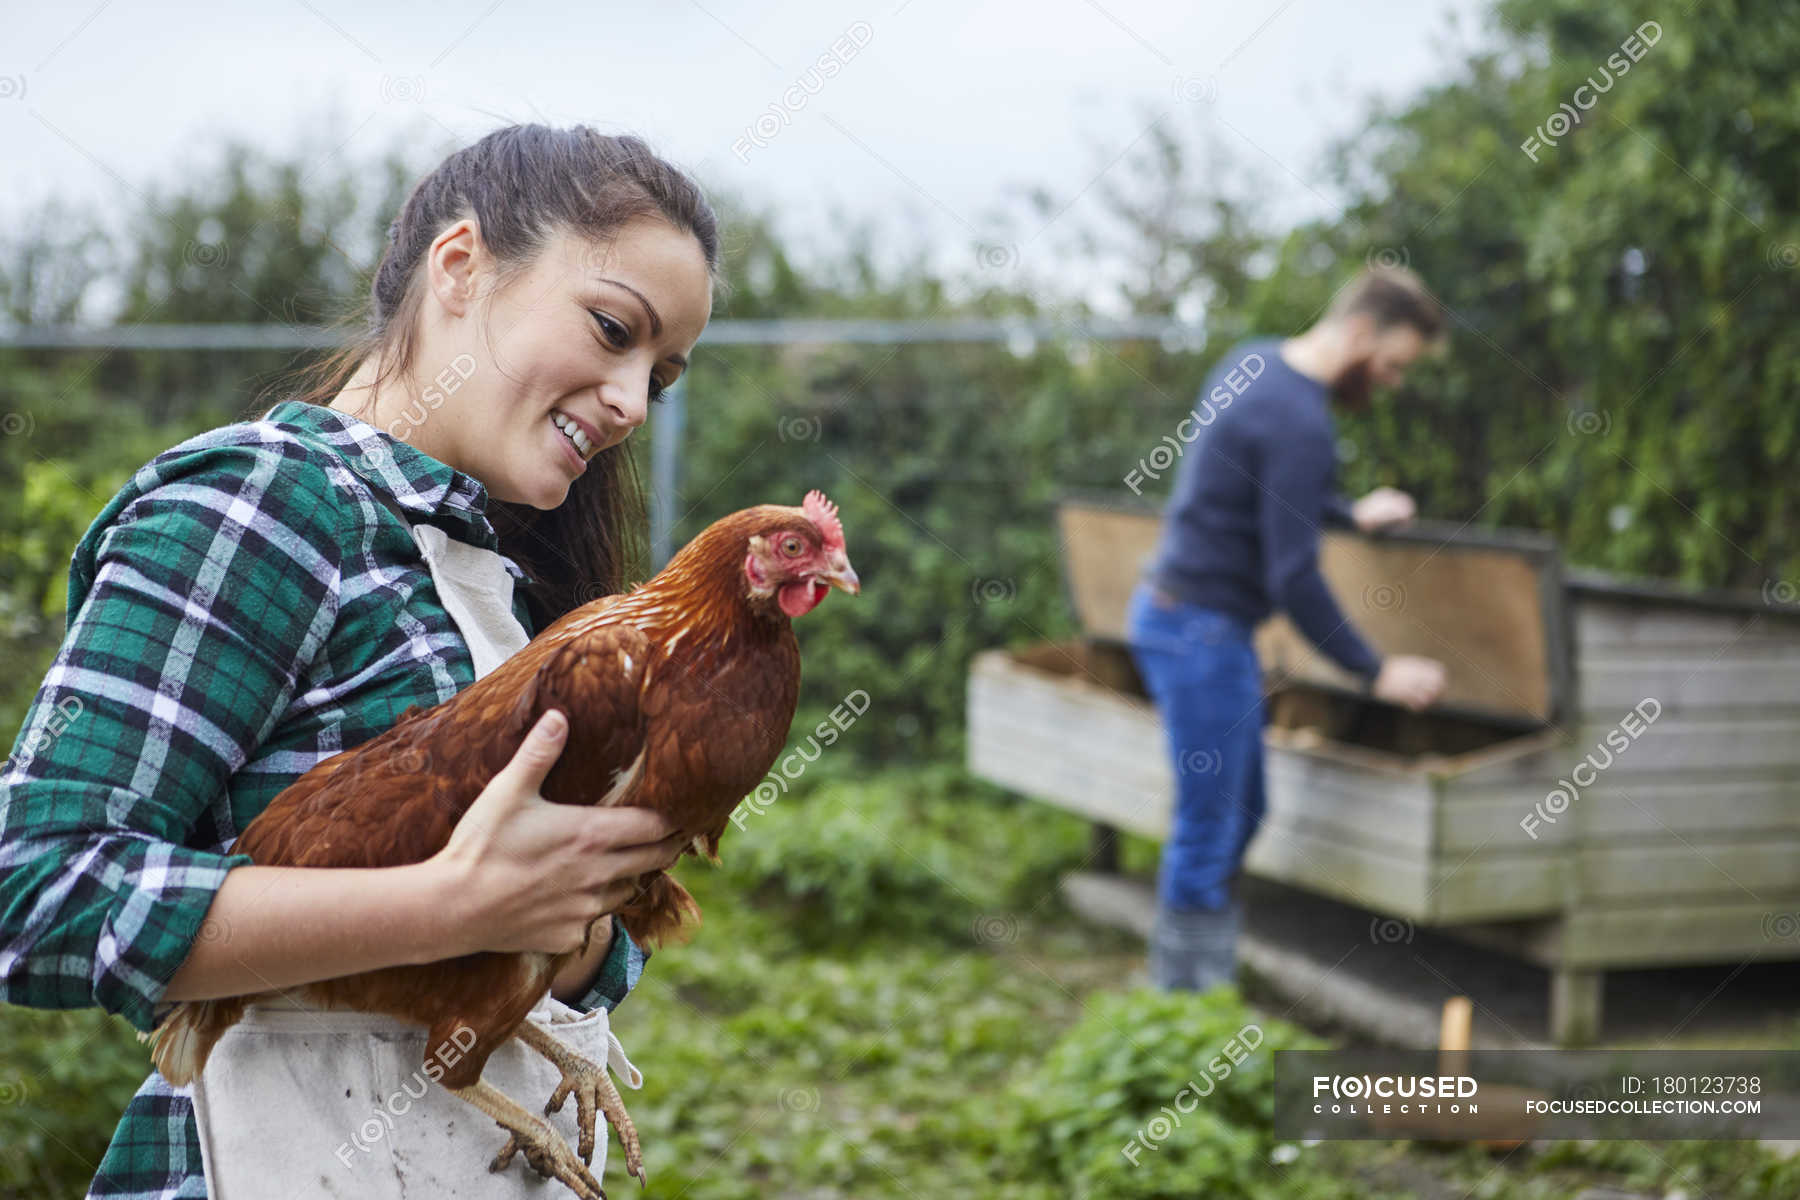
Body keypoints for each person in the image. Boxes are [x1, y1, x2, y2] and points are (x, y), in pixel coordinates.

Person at [0, 123, 714, 1198]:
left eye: (657, 377)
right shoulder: (263, 507)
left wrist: (568, 922)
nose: (627, 401)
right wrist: (449, 907)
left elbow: (581, 944)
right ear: (461, 267)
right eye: (614, 330)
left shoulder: (494, 576)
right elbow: (37, 886)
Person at [1127, 265, 1451, 992]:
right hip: (1199, 630)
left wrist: (1346, 513)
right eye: (1395, 363)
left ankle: (1187, 995)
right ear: (1362, 332)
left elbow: (1258, 488)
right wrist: (1376, 671)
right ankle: (1184, 1016)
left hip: (1181, 616)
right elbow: (1294, 579)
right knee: (1211, 828)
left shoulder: (1254, 362)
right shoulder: (1302, 421)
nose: (1394, 380)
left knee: (1242, 810)